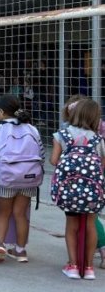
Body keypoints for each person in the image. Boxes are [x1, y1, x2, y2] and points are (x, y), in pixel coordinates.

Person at [0, 94, 44, 263]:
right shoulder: (32, 129)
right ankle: (21, 251)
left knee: (3, 213)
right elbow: (41, 154)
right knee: (20, 214)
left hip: (5, 179)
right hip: (29, 178)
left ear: (0, 112)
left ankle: (0, 244)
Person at [50, 98, 105, 280]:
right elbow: (102, 166)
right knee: (90, 225)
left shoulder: (62, 135)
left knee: (71, 226)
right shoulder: (98, 139)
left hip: (70, 193)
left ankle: (73, 265)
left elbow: (53, 160)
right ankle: (89, 268)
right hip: (91, 194)